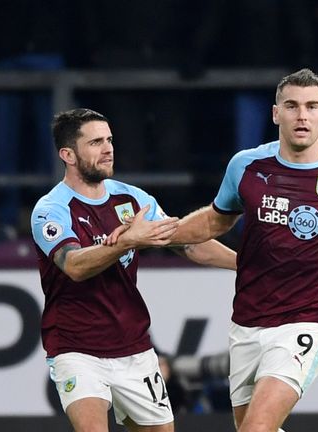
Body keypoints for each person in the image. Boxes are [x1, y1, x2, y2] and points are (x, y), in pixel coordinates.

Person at [111, 68, 318, 432]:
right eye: (292, 106)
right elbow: (216, 221)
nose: (302, 115)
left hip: (307, 321)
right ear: (276, 113)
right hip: (247, 321)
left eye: (312, 106)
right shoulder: (246, 166)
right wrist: (153, 232)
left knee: (256, 428)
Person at [30, 108, 236, 432]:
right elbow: (74, 265)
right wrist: (127, 242)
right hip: (76, 347)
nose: (108, 148)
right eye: (96, 142)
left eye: (109, 139)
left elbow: (186, 243)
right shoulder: (51, 209)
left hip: (133, 346)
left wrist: (245, 265)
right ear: (67, 154)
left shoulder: (132, 199)